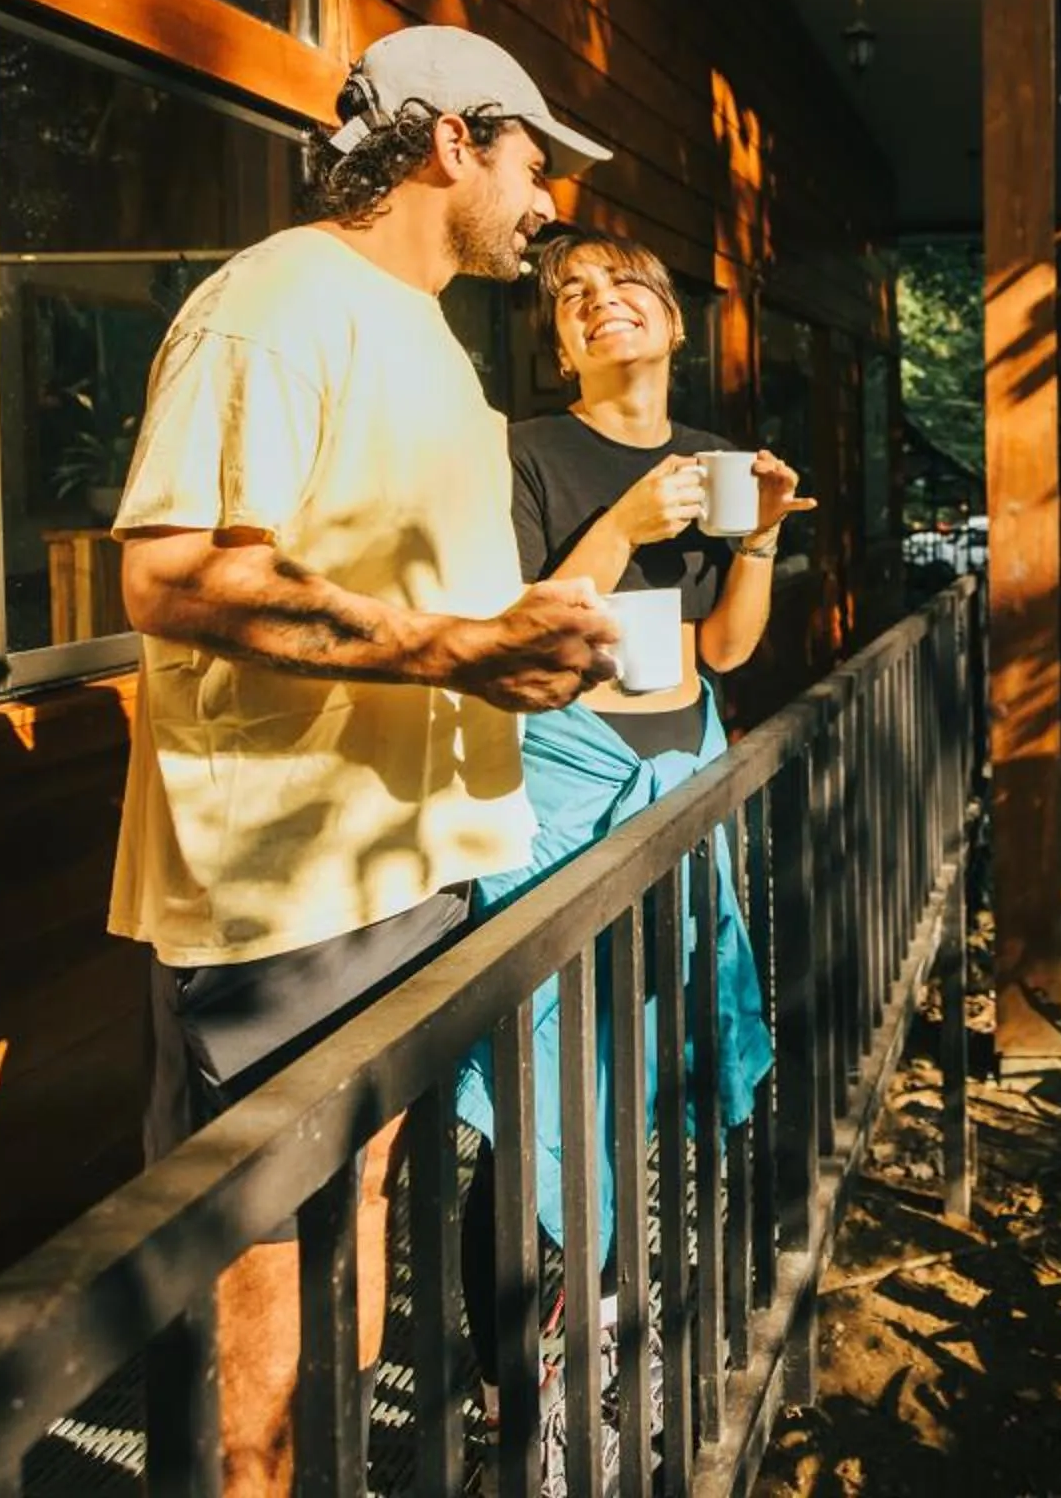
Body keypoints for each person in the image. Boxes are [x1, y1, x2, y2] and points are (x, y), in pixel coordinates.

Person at [110, 23, 622, 1498]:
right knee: (258, 1263)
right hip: (289, 888)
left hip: (417, 861)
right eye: (535, 165)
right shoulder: (274, 303)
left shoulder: (434, 340)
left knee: (362, 1206)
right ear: (453, 139)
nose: (547, 205)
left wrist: (519, 648)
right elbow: (175, 579)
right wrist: (459, 653)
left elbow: (421, 598)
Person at [453, 233, 805, 1409]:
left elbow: (726, 649)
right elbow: (515, 623)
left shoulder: (713, 457)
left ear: (674, 321)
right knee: (537, 1071)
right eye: (575, 298)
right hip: (560, 775)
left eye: (629, 286)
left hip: (679, 765)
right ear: (560, 346)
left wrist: (758, 531)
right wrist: (629, 523)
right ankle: (517, 1378)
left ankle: (603, 1322)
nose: (606, 303)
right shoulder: (525, 452)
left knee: (638, 1052)